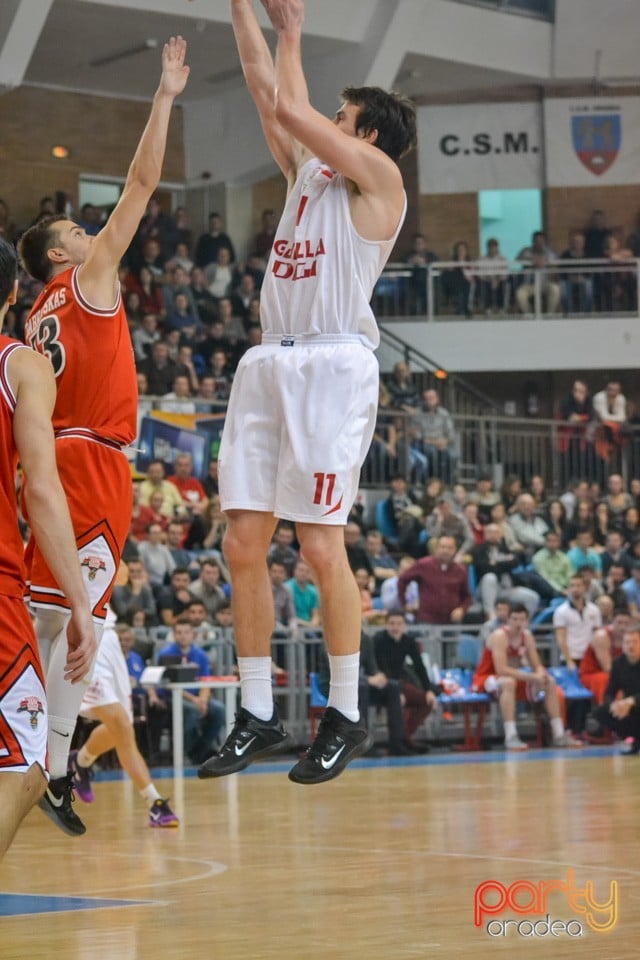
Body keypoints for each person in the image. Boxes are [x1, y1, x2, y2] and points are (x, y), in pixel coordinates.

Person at [198, 0, 415, 786]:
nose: (323, 117)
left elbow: (288, 101)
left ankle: (348, 712)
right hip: (269, 363)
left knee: (320, 545)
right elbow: (266, 90)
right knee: (242, 545)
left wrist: (293, 30)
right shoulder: (304, 177)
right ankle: (258, 713)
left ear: (365, 136)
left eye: (341, 114)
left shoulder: (379, 183)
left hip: (332, 366)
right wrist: (239, 9)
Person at [17, 37, 189, 836]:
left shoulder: (31, 316)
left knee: (52, 618)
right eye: (79, 231)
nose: (95, 235)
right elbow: (144, 184)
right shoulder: (84, 281)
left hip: (50, 457)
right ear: (61, 253)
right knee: (69, 624)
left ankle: (52, 764)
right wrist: (164, 96)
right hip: (94, 460)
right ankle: (52, 766)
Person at [0, 238, 94, 858]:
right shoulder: (21, 366)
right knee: (31, 768)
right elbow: (43, 490)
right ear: (12, 293)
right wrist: (82, 604)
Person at [70, 611, 179, 828]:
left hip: (109, 636)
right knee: (121, 725)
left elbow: (120, 579)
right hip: (82, 633)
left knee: (121, 727)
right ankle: (154, 802)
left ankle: (79, 761)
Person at [472, 603, 580, 751]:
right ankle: (511, 736)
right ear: (508, 620)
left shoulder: (527, 637)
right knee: (508, 682)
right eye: (514, 619)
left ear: (527, 621)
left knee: (550, 682)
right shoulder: (499, 636)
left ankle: (559, 734)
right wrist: (532, 678)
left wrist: (541, 674)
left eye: (522, 620)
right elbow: (501, 670)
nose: (518, 623)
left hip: (514, 678)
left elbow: (537, 665)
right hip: (487, 678)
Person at [373, 610, 438, 751]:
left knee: (428, 701)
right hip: (382, 684)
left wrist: (428, 690)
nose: (395, 627)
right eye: (392, 623)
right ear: (386, 624)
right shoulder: (378, 640)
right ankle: (403, 741)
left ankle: (404, 738)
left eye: (399, 624)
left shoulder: (409, 641)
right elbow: (382, 668)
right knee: (401, 697)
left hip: (399, 682)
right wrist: (396, 693)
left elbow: (420, 667)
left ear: (405, 626)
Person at [590, 626, 640, 753]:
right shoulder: (618, 663)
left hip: (634, 703)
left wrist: (630, 701)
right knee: (601, 712)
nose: (631, 646)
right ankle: (634, 739)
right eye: (627, 642)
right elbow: (609, 692)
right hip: (629, 709)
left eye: (635, 642)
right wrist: (613, 705)